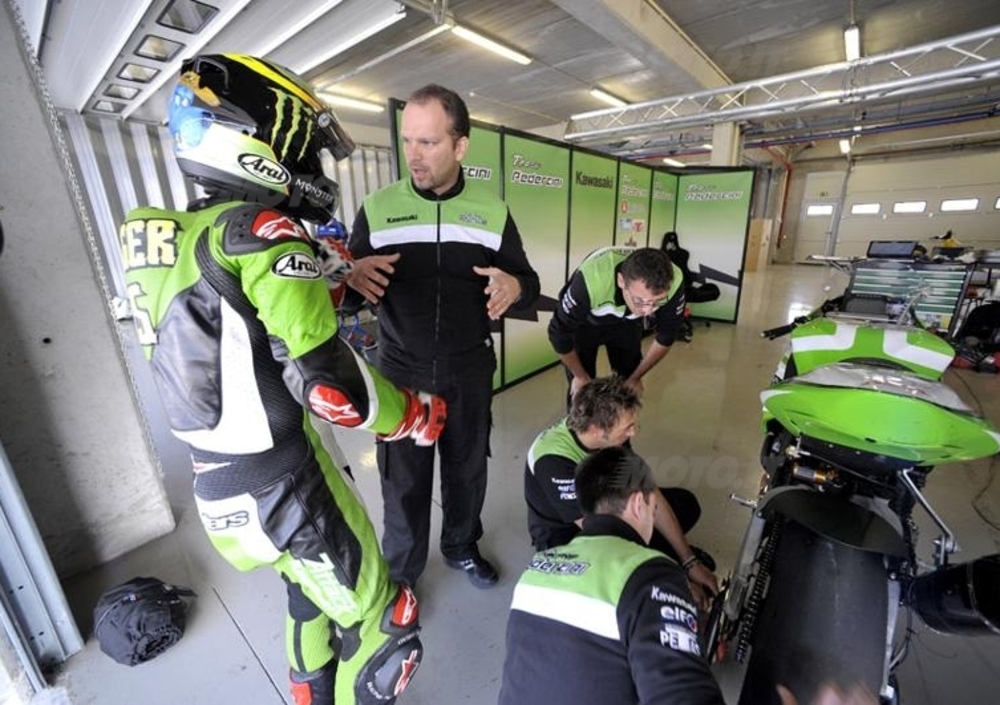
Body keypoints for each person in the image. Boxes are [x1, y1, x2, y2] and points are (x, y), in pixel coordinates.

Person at [117, 54, 448, 705]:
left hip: (217, 490)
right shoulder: (262, 232)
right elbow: (331, 389)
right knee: (385, 623)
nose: (311, 165)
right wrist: (413, 414)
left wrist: (328, 273)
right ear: (252, 141)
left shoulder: (166, 236)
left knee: (305, 589)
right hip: (286, 484)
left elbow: (230, 318)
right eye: (301, 147)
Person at [346, 84, 540, 589]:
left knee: (466, 470)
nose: (414, 154)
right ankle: (402, 573)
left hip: (468, 369)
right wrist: (349, 276)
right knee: (403, 478)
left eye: (428, 142)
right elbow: (344, 295)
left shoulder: (492, 212)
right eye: (408, 140)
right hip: (400, 371)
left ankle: (460, 546)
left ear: (460, 145)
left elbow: (529, 285)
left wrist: (516, 286)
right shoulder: (378, 208)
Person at [499, 446, 726, 705]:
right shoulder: (650, 573)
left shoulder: (536, 569)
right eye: (653, 507)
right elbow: (683, 695)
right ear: (638, 503)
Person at [524, 376, 718, 606]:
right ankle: (661, 557)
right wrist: (674, 581)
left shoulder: (609, 433)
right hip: (567, 532)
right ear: (597, 430)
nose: (633, 433)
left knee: (685, 505)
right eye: (627, 428)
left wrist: (689, 560)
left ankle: (663, 554)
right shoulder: (553, 461)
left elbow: (648, 491)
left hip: (605, 505)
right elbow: (602, 535)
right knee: (605, 572)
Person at [548, 246, 684, 403]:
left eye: (657, 301)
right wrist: (580, 376)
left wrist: (635, 378)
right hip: (585, 322)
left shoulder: (674, 280)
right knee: (582, 390)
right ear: (621, 281)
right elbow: (558, 332)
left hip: (626, 324)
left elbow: (667, 335)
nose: (647, 311)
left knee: (629, 385)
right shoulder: (592, 280)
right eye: (640, 300)